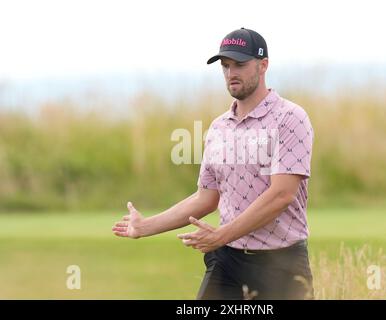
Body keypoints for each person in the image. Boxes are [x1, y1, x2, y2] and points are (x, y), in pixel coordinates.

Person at [112, 28, 314, 300]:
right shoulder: (219, 128)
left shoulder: (290, 118)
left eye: (240, 65)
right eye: (226, 66)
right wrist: (145, 226)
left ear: (263, 65)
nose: (231, 73)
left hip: (281, 265)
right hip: (226, 263)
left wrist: (222, 234)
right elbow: (206, 198)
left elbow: (282, 195)